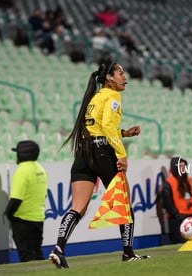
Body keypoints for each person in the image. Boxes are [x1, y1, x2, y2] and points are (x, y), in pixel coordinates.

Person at [48, 62, 149, 269]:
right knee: (124, 203)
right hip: (103, 153)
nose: (124, 77)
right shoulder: (113, 96)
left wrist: (125, 133)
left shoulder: (93, 97)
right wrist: (122, 154)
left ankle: (58, 248)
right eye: (121, 73)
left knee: (77, 208)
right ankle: (128, 252)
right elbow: (108, 126)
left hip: (84, 152)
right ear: (110, 78)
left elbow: (98, 128)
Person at [4, 140, 48, 262]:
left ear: (22, 154)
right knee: (37, 253)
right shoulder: (40, 169)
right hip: (38, 218)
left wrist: (8, 214)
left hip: (22, 220)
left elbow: (16, 198)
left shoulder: (22, 171)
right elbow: (44, 195)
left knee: (26, 257)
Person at [161, 157, 192, 244]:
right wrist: (175, 214)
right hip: (177, 220)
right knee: (179, 244)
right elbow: (167, 202)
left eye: (184, 166)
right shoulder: (169, 182)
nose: (183, 168)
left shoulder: (190, 180)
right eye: (180, 166)